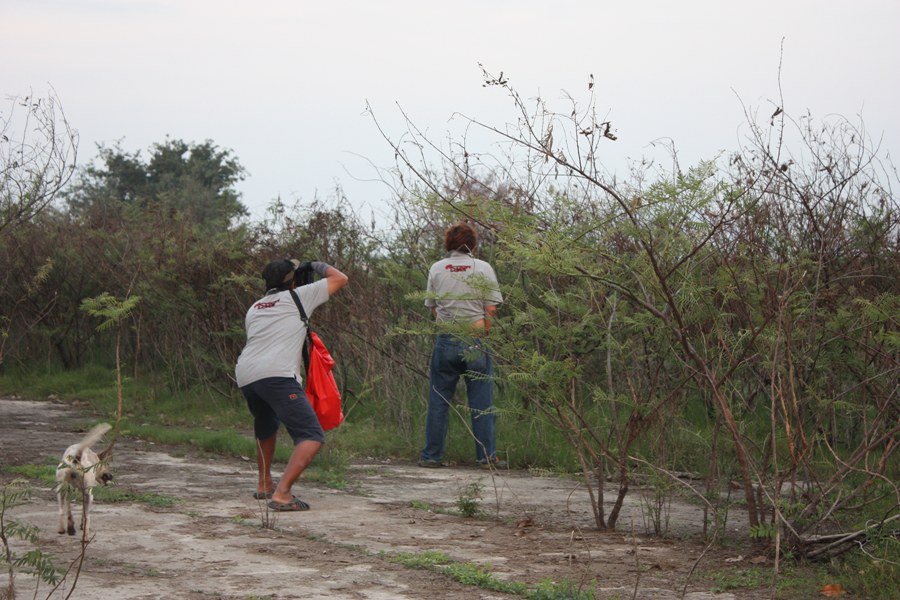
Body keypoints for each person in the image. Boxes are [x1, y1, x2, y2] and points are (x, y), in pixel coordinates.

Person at [235, 258, 348, 510]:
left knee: (266, 425)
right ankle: (282, 494)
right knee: (311, 435)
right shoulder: (299, 297)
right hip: (277, 374)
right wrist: (316, 265)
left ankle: (264, 484)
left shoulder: (255, 307)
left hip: (246, 373)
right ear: (292, 280)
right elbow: (340, 278)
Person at [419, 222, 505, 469]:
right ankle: (486, 457)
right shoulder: (483, 268)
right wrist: (484, 335)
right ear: (473, 244)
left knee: (438, 401)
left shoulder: (437, 268)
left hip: (446, 341)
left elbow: (433, 308)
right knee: (481, 402)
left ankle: (431, 456)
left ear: (448, 243)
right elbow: (491, 308)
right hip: (475, 341)